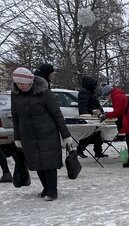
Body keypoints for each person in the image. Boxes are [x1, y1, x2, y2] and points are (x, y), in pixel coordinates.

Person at [10, 67, 72, 200]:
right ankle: (45, 188)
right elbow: (15, 117)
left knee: (49, 163)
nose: (20, 86)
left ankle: (52, 191)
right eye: (17, 83)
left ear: (29, 81)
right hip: (28, 135)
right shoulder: (15, 94)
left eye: (22, 83)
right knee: (36, 162)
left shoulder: (44, 92)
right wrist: (17, 137)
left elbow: (57, 114)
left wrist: (65, 135)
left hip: (47, 133)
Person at [102, 84, 129, 168]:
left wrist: (106, 115)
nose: (106, 98)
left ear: (108, 94)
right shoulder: (120, 95)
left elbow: (118, 112)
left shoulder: (116, 97)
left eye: (106, 96)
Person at [76, 75, 107, 159]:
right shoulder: (84, 92)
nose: (95, 85)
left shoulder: (90, 91)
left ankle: (98, 151)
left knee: (97, 133)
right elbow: (83, 105)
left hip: (95, 115)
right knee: (89, 133)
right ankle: (80, 150)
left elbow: (95, 104)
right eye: (93, 84)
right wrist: (85, 116)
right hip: (90, 116)